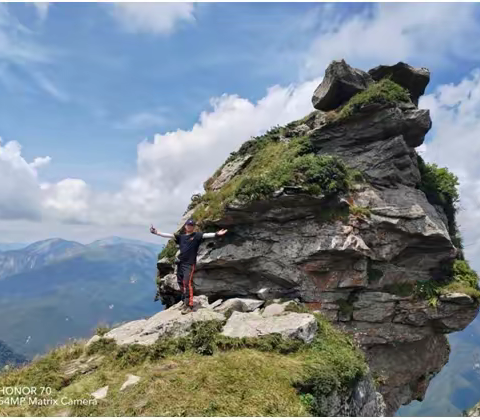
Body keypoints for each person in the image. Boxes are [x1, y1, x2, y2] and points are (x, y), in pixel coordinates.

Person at [150, 219, 227, 314]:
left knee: (187, 283)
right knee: (180, 282)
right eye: (188, 225)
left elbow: (205, 235)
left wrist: (216, 234)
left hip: (189, 264)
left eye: (191, 225)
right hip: (180, 263)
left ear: (193, 227)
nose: (189, 226)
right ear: (185, 226)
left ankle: (189, 305)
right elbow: (169, 235)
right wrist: (156, 232)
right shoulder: (181, 237)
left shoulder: (196, 236)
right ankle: (185, 299)